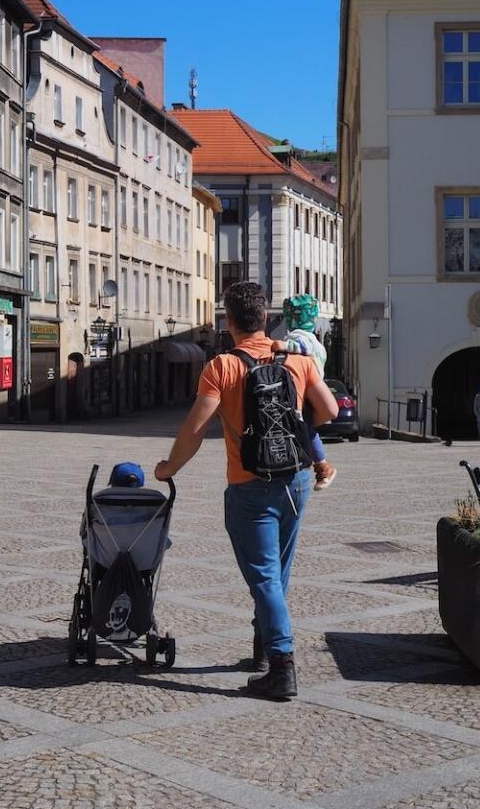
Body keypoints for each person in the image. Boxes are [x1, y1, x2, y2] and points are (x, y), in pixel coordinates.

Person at [155, 281, 338, 700]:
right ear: (265, 318)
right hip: (296, 480)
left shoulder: (221, 367)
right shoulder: (296, 362)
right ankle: (263, 650)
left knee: (265, 580)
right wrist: (298, 429)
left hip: (248, 485)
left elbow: (194, 430)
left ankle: (282, 667)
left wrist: (169, 468)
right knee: (279, 573)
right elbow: (328, 410)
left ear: (230, 321)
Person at [272, 294, 337, 491]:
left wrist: (282, 346)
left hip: (305, 393)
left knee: (306, 430)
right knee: (307, 430)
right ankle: (319, 465)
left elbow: (300, 348)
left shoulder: (302, 339)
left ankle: (323, 467)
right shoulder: (318, 343)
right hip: (310, 392)